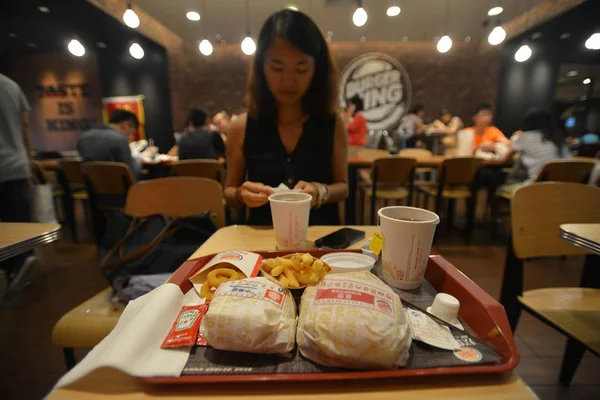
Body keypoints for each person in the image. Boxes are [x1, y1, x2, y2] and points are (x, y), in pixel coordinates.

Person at [224, 9, 348, 226]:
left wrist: (321, 192)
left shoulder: (333, 123)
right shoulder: (241, 126)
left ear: (316, 71)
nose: (288, 81)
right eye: (277, 68)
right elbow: (229, 192)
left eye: (301, 69)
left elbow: (343, 187)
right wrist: (242, 194)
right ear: (262, 67)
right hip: (261, 243)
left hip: (319, 241)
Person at [0, 73, 37, 297]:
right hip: (15, 165)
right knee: (20, 225)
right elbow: (25, 127)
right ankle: (20, 267)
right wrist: (29, 161)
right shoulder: (11, 86)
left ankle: (9, 269)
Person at [504, 108, 571, 185]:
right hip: (565, 187)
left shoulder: (525, 136)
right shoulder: (559, 138)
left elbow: (507, 157)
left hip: (535, 187)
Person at [77, 109, 142, 179]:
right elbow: (132, 173)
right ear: (126, 125)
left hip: (92, 187)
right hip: (118, 187)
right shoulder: (120, 139)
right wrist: (138, 163)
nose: (129, 137)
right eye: (131, 134)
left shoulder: (83, 138)